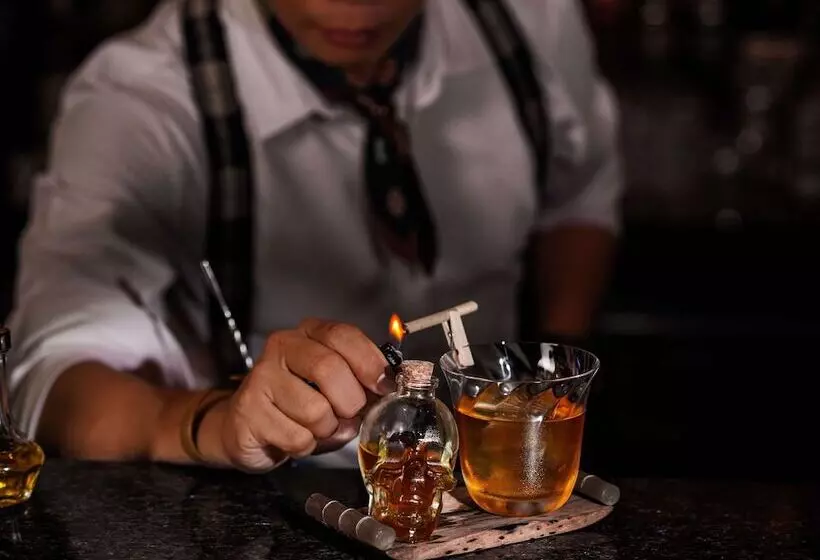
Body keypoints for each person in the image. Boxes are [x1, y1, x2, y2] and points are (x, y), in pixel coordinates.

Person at [6, 0, 623, 472]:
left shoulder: (530, 23)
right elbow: (54, 380)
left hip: (501, 476)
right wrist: (214, 424)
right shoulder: (143, 97)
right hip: (268, 503)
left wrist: (553, 377)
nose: (357, 11)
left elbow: (580, 195)